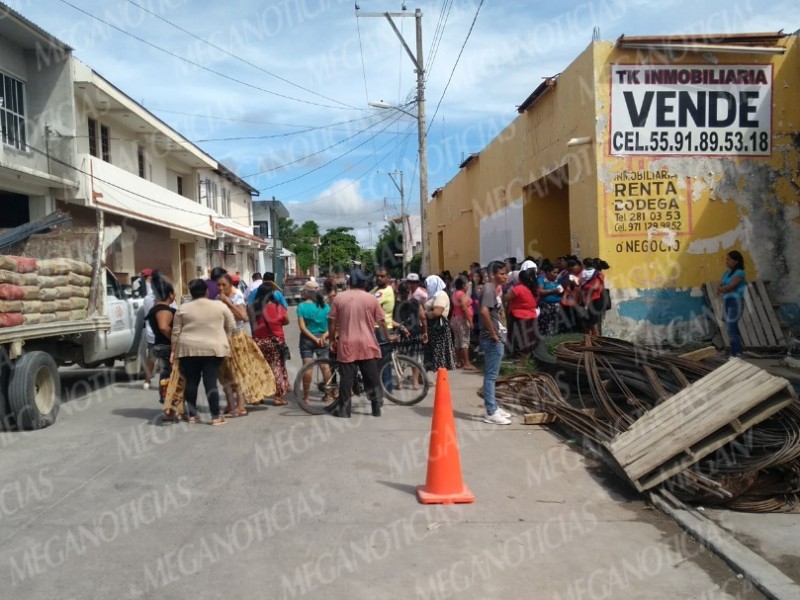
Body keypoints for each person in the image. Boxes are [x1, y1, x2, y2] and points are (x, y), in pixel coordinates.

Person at [170, 279, 234, 425]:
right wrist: (225, 339)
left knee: (192, 382)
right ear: (206, 291)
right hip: (213, 348)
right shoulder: (219, 305)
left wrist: (173, 351)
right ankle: (215, 417)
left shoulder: (183, 308)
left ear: (191, 293)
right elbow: (231, 325)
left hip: (188, 349)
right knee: (210, 382)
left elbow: (175, 332)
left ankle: (192, 415)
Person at [327, 269, 390, 418]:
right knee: (371, 376)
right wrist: (387, 336)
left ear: (349, 283)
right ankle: (376, 408)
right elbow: (381, 321)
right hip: (367, 343)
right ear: (365, 283)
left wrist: (331, 340)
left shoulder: (339, 298)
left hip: (347, 343)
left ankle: (344, 410)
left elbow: (331, 320)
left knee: (346, 378)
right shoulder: (371, 299)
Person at [217, 273, 275, 417]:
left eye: (224, 284)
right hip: (223, 338)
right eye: (218, 285)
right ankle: (230, 404)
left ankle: (241, 406)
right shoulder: (219, 298)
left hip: (236, 337)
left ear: (230, 284)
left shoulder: (236, 296)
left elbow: (243, 317)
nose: (221, 287)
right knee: (224, 373)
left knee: (238, 372)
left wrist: (228, 303)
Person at [479, 261, 513, 425]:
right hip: (492, 338)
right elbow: (484, 311)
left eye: (506, 273)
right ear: (493, 274)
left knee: (493, 375)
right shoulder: (488, 289)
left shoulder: (493, 289)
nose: (505, 276)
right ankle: (491, 411)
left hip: (497, 336)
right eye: (501, 273)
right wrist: (493, 334)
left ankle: (494, 407)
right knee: (491, 376)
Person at [250, 281, 290, 406]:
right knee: (277, 367)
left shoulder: (252, 307)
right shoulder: (278, 307)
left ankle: (258, 396)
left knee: (259, 368)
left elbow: (252, 324)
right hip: (275, 340)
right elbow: (286, 321)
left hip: (258, 341)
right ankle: (278, 397)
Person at [297, 280, 332, 404]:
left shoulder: (302, 306)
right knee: (325, 366)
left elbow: (302, 327)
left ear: (306, 292)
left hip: (307, 339)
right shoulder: (326, 306)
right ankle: (328, 395)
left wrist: (314, 338)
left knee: (307, 367)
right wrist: (324, 336)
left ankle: (306, 397)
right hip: (323, 338)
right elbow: (331, 325)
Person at [146, 271, 176, 405]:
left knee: (165, 377)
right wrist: (174, 338)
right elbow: (163, 327)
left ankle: (168, 405)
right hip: (166, 347)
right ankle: (169, 407)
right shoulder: (164, 309)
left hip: (158, 345)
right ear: (170, 295)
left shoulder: (155, 307)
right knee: (168, 377)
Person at [393, 282, 428, 382]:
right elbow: (423, 317)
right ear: (409, 292)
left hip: (400, 334)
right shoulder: (416, 302)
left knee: (400, 359)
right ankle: (415, 383)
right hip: (415, 333)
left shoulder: (395, 304)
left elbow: (390, 319)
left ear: (398, 292)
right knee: (416, 359)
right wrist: (425, 332)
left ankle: (399, 382)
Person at [504, 267, 540, 361]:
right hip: (531, 316)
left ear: (520, 279)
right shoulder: (533, 288)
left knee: (520, 338)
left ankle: (521, 360)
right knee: (529, 337)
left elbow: (506, 298)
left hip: (519, 316)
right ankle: (528, 359)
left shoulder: (518, 289)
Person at [423, 275, 456, 372]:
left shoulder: (441, 295)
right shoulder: (433, 296)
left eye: (428, 285)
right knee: (431, 353)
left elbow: (437, 312)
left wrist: (424, 313)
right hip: (432, 329)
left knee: (439, 353)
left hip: (438, 329)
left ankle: (441, 379)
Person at [717, 250, 746, 357]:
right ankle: (735, 352)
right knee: (732, 327)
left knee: (731, 327)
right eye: (727, 259)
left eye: (729, 259)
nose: (727, 261)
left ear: (736, 261)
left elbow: (729, 287)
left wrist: (723, 288)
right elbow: (719, 286)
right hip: (727, 301)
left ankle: (737, 353)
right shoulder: (727, 273)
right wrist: (723, 288)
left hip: (736, 302)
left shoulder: (740, 273)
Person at [371, 267, 396, 390]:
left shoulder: (385, 292)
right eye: (377, 276)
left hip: (381, 329)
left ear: (388, 278)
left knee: (383, 360)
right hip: (377, 328)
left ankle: (386, 387)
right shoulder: (377, 289)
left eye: (382, 276)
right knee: (377, 359)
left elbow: (369, 303)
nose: (379, 278)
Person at [450, 276, 475, 370]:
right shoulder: (462, 295)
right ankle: (467, 363)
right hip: (462, 319)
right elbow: (464, 309)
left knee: (457, 341)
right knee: (464, 341)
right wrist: (470, 322)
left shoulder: (455, 293)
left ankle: (458, 361)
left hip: (454, 318)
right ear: (464, 285)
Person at [139, 267, 156, 391]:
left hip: (151, 333)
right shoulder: (161, 296)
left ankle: (147, 381)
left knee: (151, 358)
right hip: (163, 333)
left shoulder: (146, 298)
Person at [537, 262, 564, 337]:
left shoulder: (556, 281)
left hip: (557, 307)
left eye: (557, 273)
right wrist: (553, 291)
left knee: (556, 326)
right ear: (548, 272)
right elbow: (540, 291)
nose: (556, 274)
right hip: (546, 306)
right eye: (554, 272)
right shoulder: (542, 280)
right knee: (547, 326)